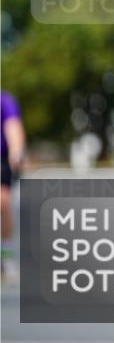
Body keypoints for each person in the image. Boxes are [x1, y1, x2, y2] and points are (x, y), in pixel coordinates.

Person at [1, 90, 26, 279]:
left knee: (2, 202)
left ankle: (6, 256)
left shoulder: (5, 101)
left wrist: (16, 151)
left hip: (1, 159)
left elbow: (13, 127)